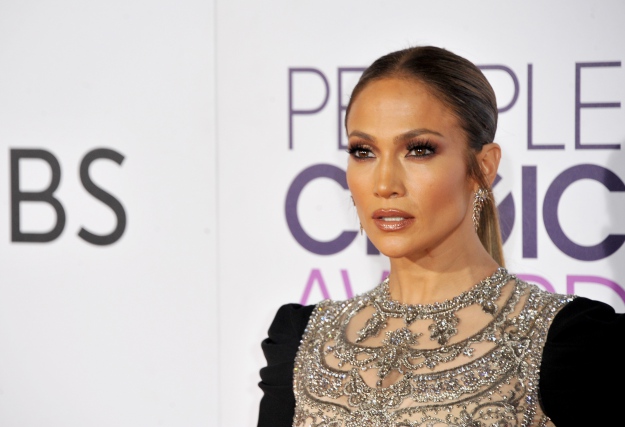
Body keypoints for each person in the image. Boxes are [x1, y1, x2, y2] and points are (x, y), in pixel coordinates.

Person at [257, 46, 625, 427]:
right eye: (363, 151)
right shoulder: (302, 343)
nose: (384, 184)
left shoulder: (568, 343)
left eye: (418, 150)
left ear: (483, 167)